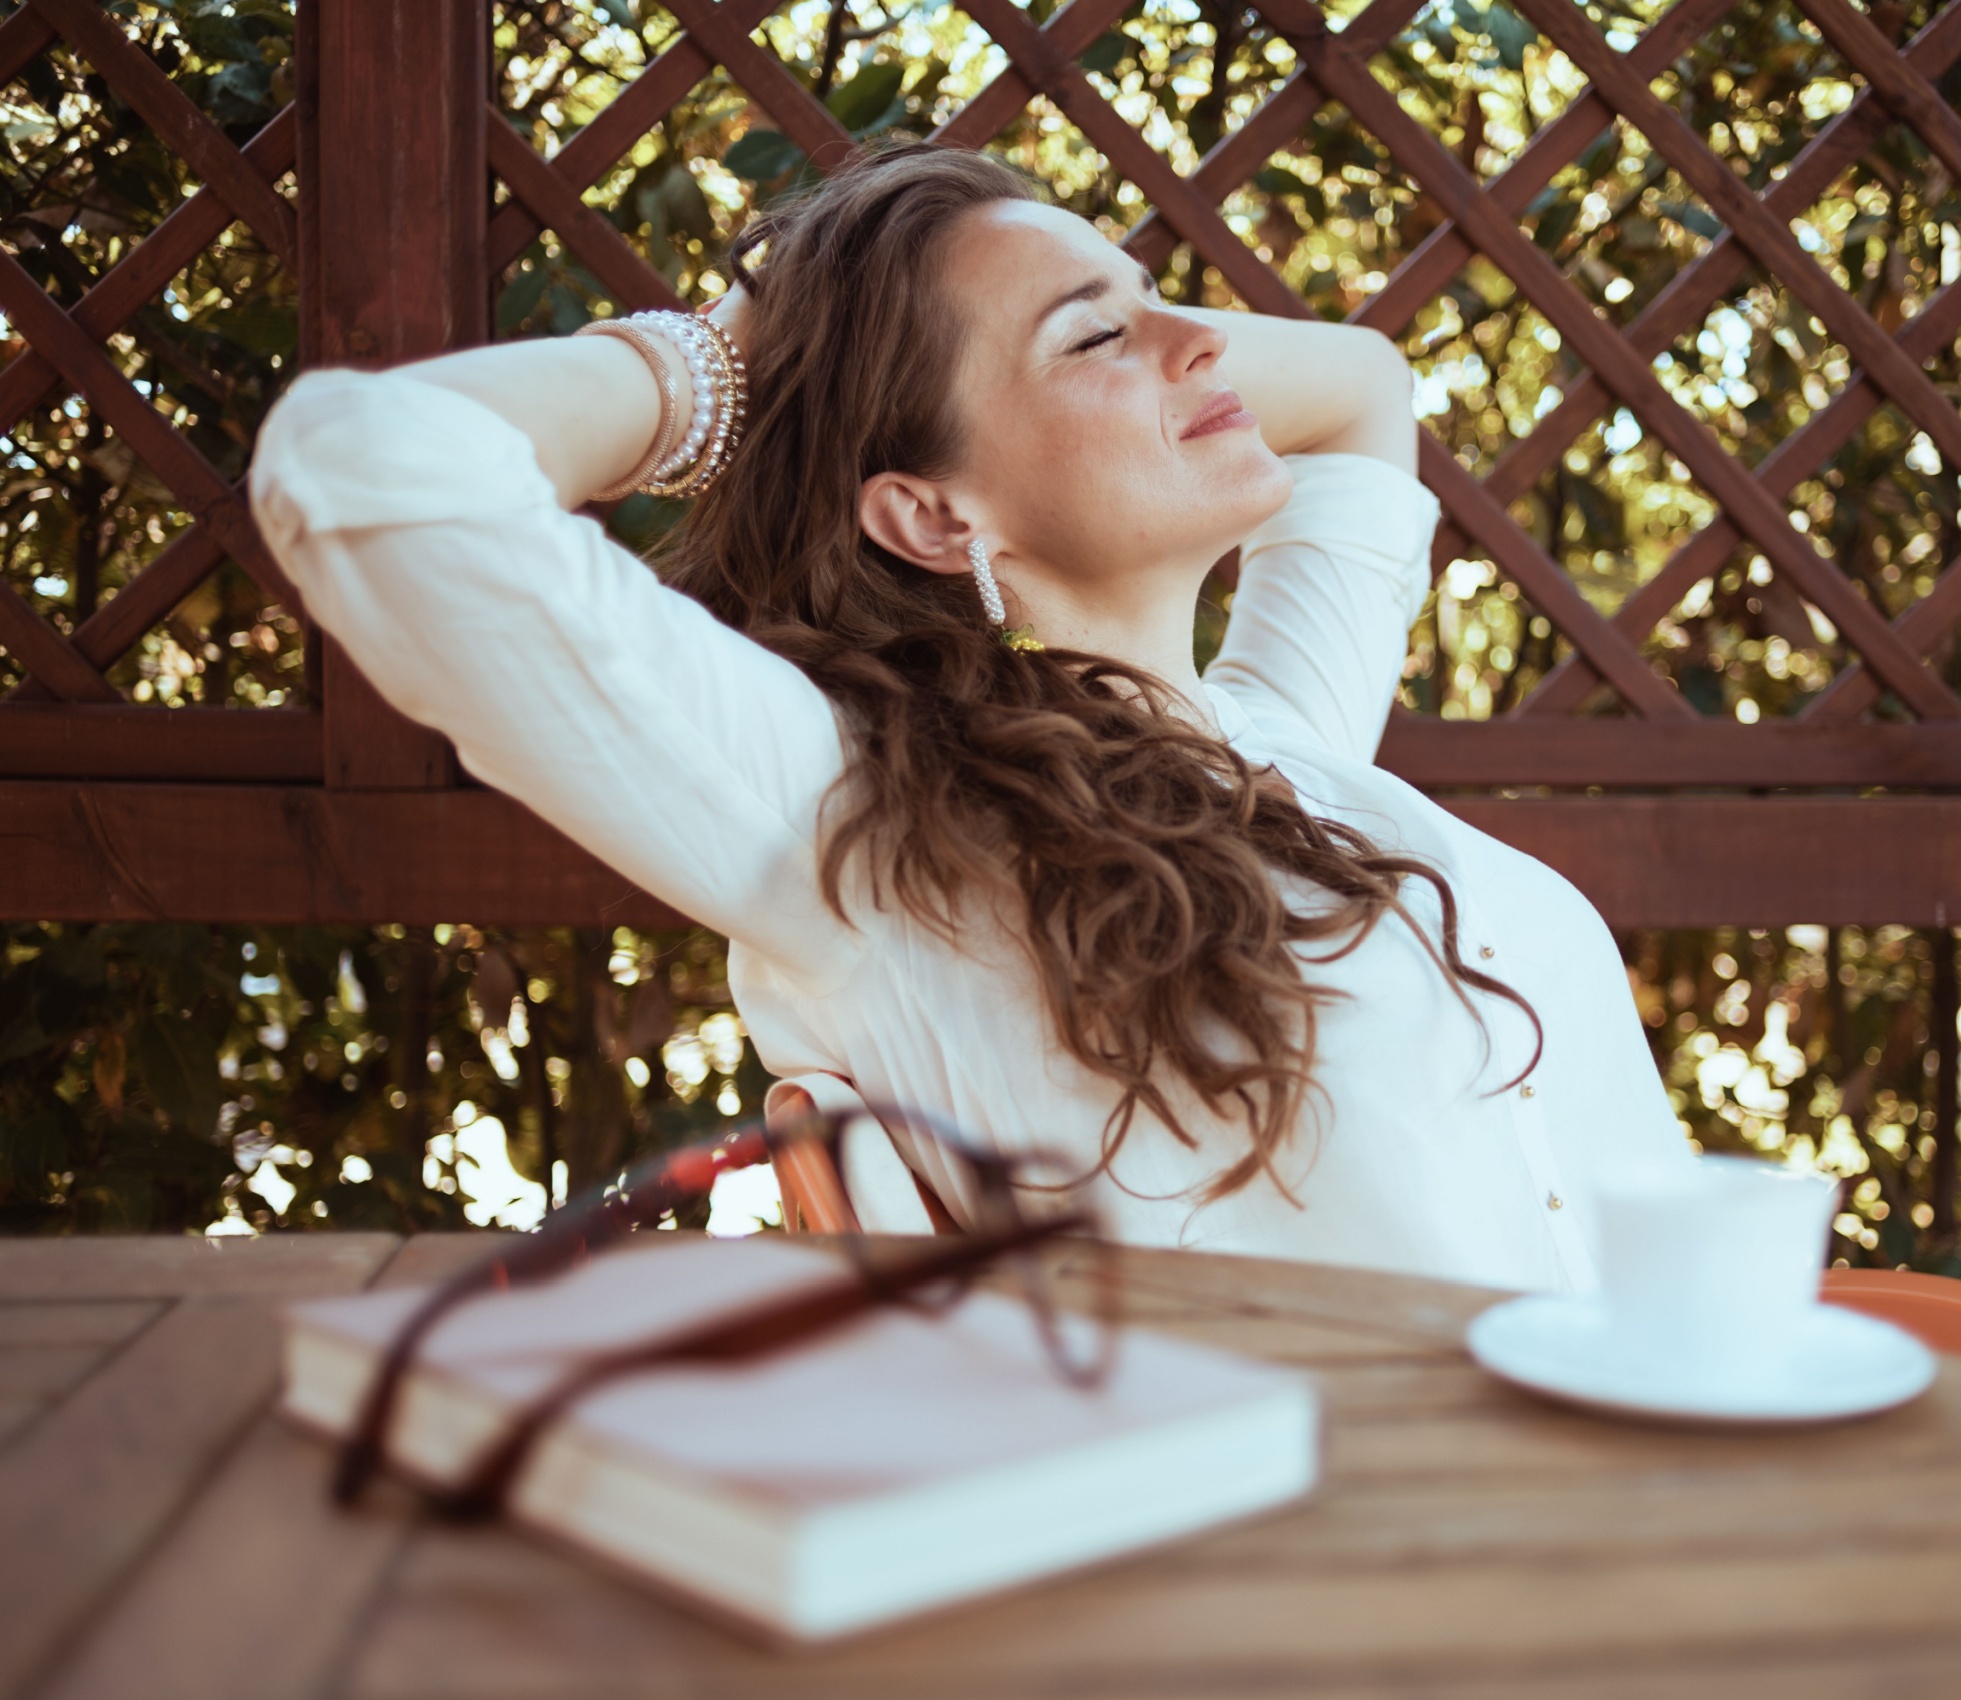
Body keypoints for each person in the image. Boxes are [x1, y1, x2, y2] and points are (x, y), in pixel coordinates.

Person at [250, 143, 1686, 1291]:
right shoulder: (852, 821)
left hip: (1671, 1501)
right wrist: (726, 365)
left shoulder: (1292, 745)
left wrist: (1094, 320)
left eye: (1161, 298)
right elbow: (366, 470)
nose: (1204, 345)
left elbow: (1366, 386)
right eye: (1095, 339)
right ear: (930, 513)